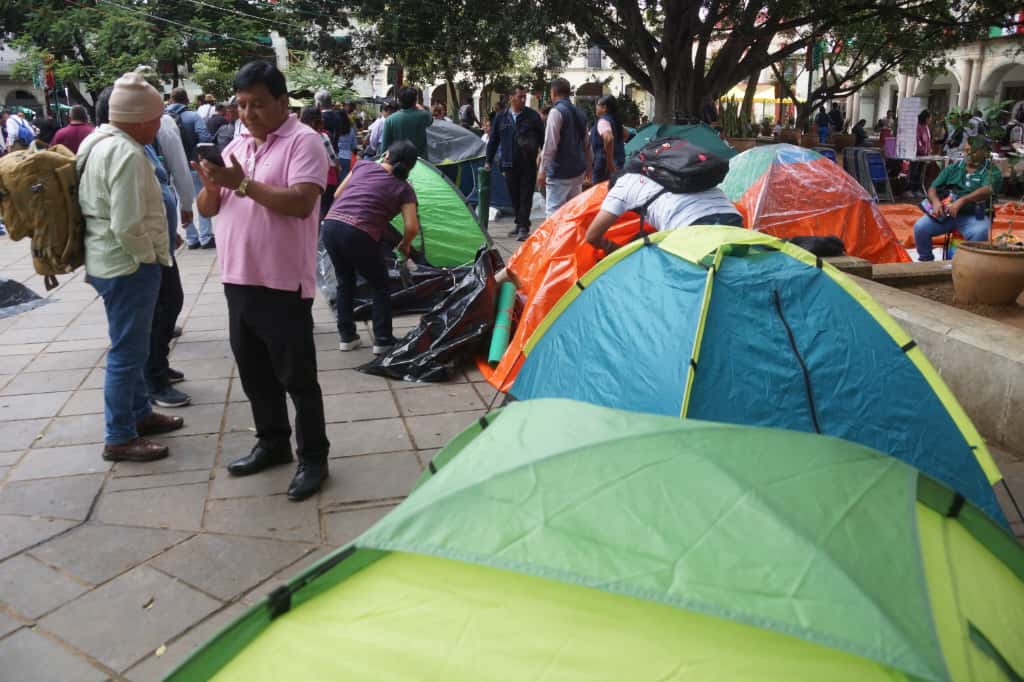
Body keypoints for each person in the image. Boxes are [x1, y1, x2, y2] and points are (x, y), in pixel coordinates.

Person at [193, 61, 330, 501]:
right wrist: (214, 187)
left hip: (282, 282)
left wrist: (244, 184)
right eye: (242, 104)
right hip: (238, 277)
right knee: (254, 373)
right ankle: (272, 443)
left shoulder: (305, 142)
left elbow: (301, 203)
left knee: (298, 378)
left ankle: (314, 458)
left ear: (282, 102)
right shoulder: (235, 143)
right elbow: (209, 209)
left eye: (258, 104)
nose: (248, 114)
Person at [77, 73, 185, 462]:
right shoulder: (125, 153)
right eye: (156, 119)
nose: (159, 126)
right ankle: (119, 435)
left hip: (108, 261)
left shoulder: (98, 141)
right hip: (127, 266)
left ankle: (139, 415)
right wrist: (150, 255)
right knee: (126, 353)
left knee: (133, 348)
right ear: (138, 118)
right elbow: (126, 224)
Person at [132, 66, 196, 407]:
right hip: (144, 250)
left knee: (166, 303)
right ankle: (152, 379)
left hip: (156, 241)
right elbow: (129, 217)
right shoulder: (126, 149)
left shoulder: (143, 140)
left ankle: (156, 367)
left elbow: (163, 179)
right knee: (160, 307)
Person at [322, 140, 420, 357]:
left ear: (386, 155)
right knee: (380, 284)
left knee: (344, 280)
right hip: (359, 232)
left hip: (330, 226)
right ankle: (383, 339)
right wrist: (404, 246)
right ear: (411, 167)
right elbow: (412, 227)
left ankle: (347, 337)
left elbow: (338, 194)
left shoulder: (363, 166)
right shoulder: (405, 189)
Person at [584, 171, 743, 252]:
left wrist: (616, 250)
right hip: (734, 221)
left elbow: (592, 235)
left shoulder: (621, 186)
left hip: (692, 228)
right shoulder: (660, 171)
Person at [913, 137, 1001, 262]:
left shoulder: (992, 172)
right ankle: (926, 261)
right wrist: (936, 203)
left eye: (973, 151)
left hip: (974, 215)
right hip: (947, 215)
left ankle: (967, 266)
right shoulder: (953, 168)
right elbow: (933, 188)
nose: (968, 154)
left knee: (980, 232)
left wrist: (963, 200)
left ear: (984, 153)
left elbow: (987, 190)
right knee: (920, 227)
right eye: (966, 150)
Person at [485, 85, 544, 241]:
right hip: (509, 163)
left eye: (525, 97)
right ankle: (519, 223)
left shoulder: (532, 116)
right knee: (514, 196)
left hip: (528, 163)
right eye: (520, 97)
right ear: (511, 98)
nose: (523, 100)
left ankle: (524, 227)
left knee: (526, 195)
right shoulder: (501, 117)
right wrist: (488, 161)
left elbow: (543, 137)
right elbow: (493, 140)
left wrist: (544, 157)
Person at [167, 87, 215, 249]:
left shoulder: (163, 119)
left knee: (182, 201)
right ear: (186, 100)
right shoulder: (193, 116)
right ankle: (206, 236)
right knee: (202, 197)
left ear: (171, 100)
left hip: (173, 168)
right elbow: (204, 137)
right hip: (193, 165)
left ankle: (191, 238)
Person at [537, 77, 592, 217]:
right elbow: (587, 144)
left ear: (553, 92)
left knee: (554, 214)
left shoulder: (556, 112)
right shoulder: (580, 113)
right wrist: (589, 167)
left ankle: (555, 240)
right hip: (577, 172)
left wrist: (542, 171)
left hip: (559, 174)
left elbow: (550, 145)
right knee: (572, 214)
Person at [300, 106, 343, 220]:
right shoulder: (322, 136)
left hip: (303, 181)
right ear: (316, 122)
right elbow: (333, 159)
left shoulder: (296, 138)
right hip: (325, 179)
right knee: (324, 209)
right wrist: (338, 167)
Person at [380, 86, 432, 157]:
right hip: (420, 161)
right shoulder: (424, 115)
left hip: (398, 162)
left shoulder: (390, 120)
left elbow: (384, 148)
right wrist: (419, 107)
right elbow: (430, 120)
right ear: (415, 100)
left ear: (399, 101)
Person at [590, 94, 626, 185]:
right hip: (618, 163)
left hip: (604, 167)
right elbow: (626, 135)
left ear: (604, 108)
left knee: (600, 196)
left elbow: (609, 138)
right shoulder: (615, 120)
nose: (596, 107)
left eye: (598, 105)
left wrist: (609, 162)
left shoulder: (603, 121)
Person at [335, 109, 356, 182]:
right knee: (344, 180)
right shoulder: (351, 130)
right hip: (347, 157)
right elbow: (354, 145)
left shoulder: (334, 129)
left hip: (335, 156)